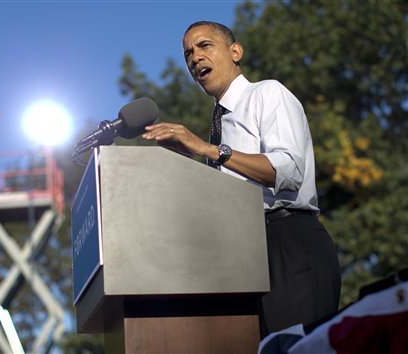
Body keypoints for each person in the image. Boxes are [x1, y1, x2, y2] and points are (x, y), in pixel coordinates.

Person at [142, 20, 341, 338]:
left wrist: (209, 149)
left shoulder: (267, 93)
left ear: (235, 51)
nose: (195, 57)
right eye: (187, 53)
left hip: (288, 242)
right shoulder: (218, 124)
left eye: (205, 45)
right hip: (240, 257)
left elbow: (288, 171)